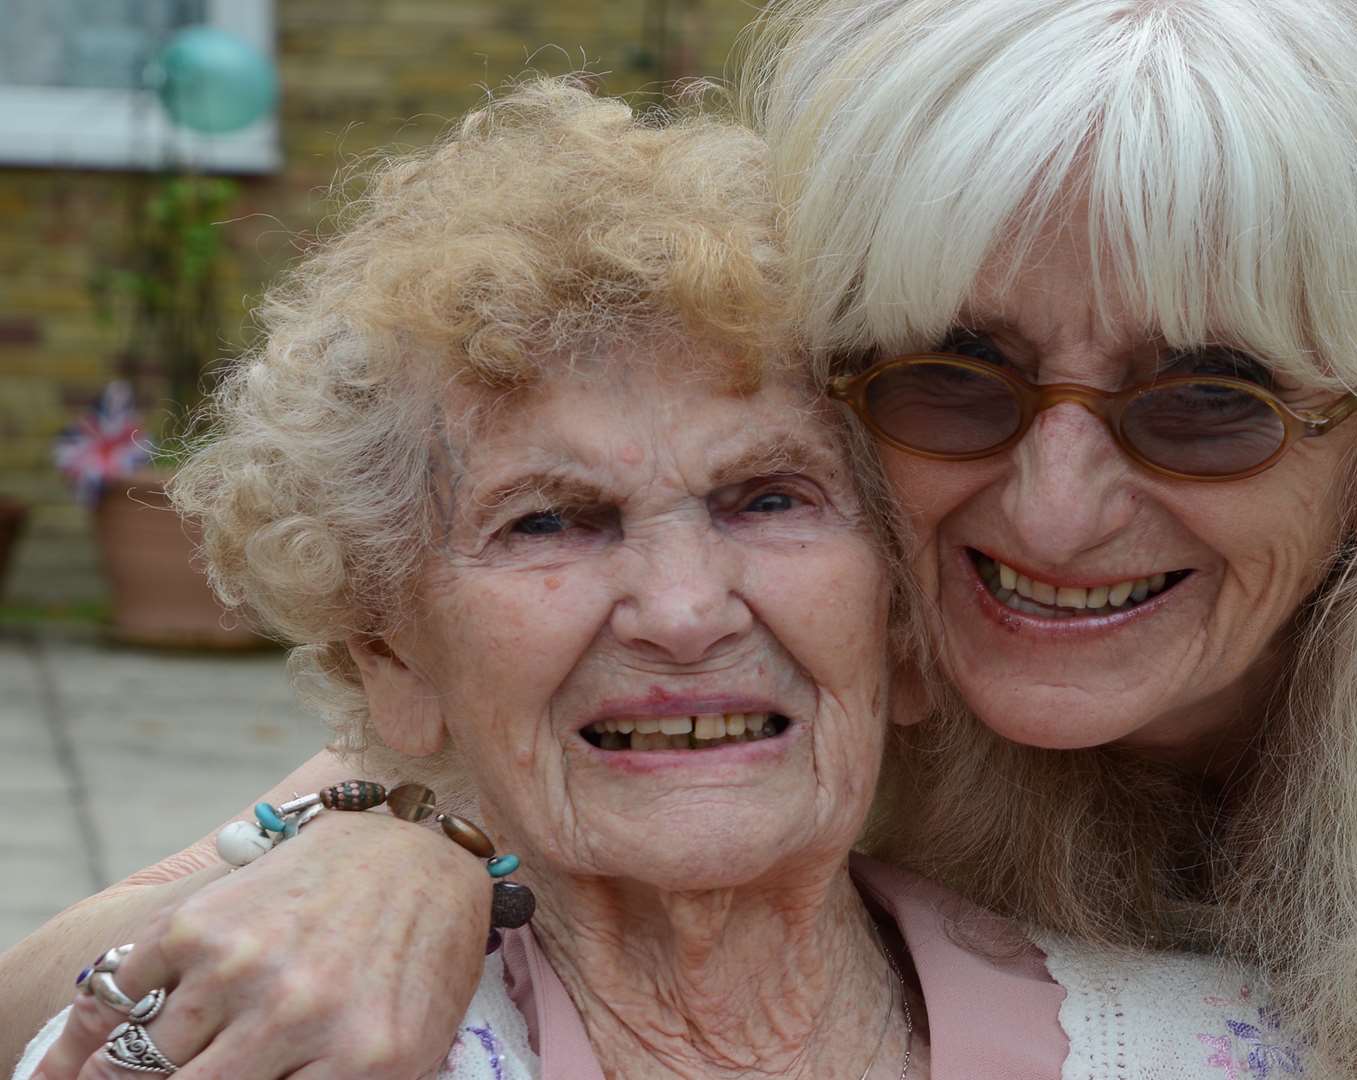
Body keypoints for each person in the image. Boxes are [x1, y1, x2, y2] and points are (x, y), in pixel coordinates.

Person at [6, 2, 1357, 1078]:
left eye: (1212, 402)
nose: (1053, 510)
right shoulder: (831, 571)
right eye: (956, 379)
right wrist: (389, 843)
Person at [11, 80, 1289, 1080]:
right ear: (393, 656)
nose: (683, 612)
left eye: (770, 499)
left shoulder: (1230, 1047)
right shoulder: (265, 1031)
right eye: (552, 522)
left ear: (904, 623)